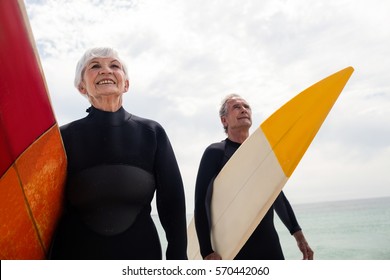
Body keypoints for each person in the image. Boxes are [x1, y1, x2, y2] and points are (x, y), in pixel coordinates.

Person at [49, 47, 187, 260]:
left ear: (126, 84)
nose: (106, 70)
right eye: (95, 66)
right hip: (75, 256)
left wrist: (178, 258)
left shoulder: (151, 133)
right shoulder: (63, 138)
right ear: (81, 87)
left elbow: (172, 201)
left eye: (115, 66)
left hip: (140, 255)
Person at [194, 93, 314, 260]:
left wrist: (298, 236)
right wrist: (206, 251)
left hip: (270, 246)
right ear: (224, 120)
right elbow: (201, 202)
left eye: (246, 107)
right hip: (234, 249)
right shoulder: (216, 153)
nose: (243, 110)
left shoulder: (263, 155)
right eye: (236, 107)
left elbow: (277, 196)